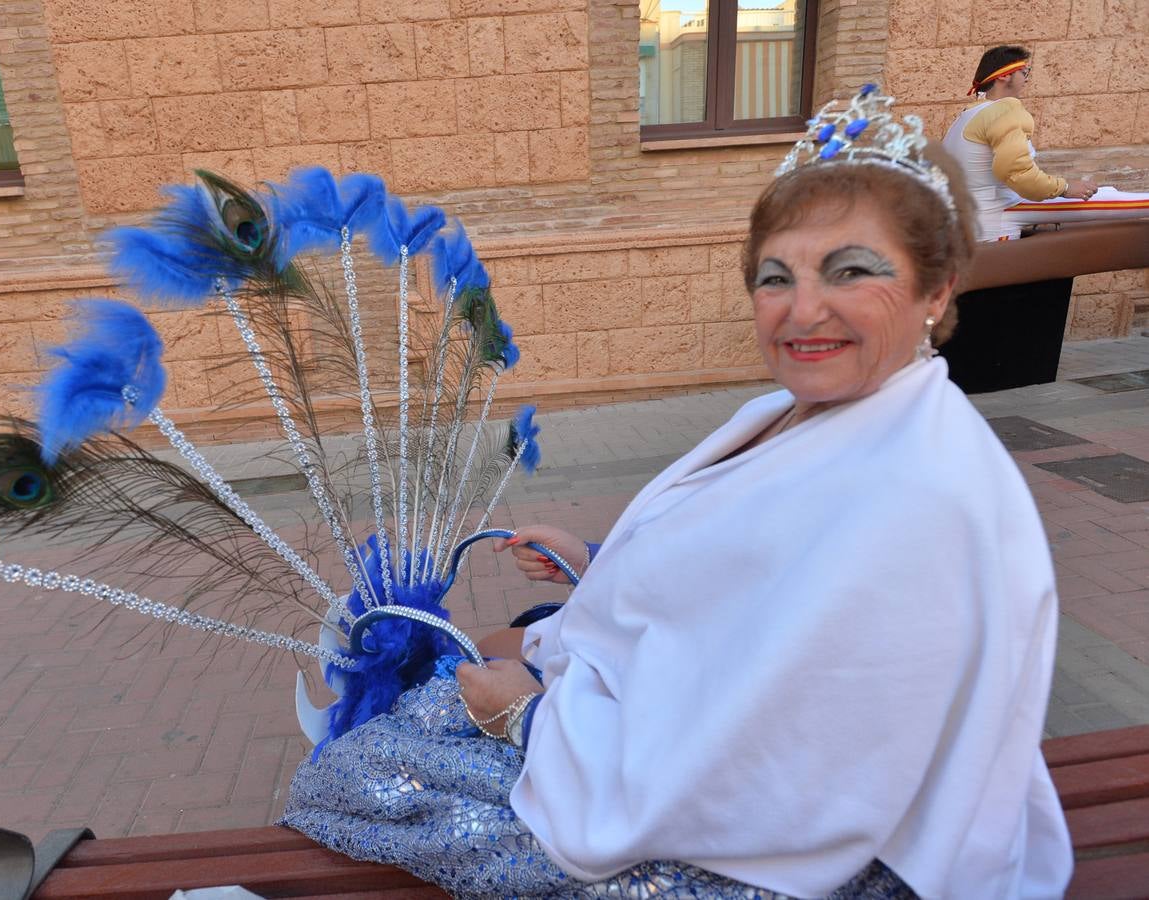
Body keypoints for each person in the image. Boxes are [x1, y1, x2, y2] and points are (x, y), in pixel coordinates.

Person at [282, 87, 1073, 898]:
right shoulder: (809, 415)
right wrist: (596, 564)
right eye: (775, 277)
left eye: (851, 272)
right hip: (683, 758)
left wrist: (524, 721)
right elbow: (751, 599)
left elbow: (776, 768)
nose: (803, 311)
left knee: (369, 772)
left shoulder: (919, 496)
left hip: (786, 853)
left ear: (934, 290)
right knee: (447, 691)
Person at [942, 45, 1149, 242]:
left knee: (1107, 194)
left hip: (971, 214)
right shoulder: (1005, 110)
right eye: (1024, 72)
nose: (1026, 79)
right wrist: (1066, 188)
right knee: (1111, 200)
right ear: (1005, 75)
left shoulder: (966, 114)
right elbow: (1017, 173)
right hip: (996, 215)